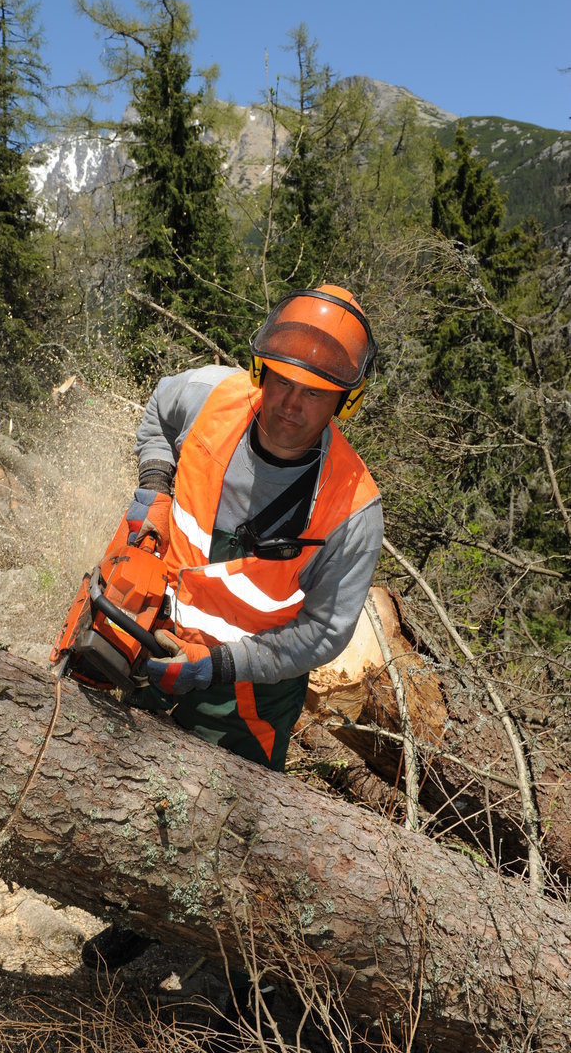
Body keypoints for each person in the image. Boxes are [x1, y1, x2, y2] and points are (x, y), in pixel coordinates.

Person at [81, 285, 383, 973]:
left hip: (248, 690)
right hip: (159, 636)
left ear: (345, 400)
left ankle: (239, 990)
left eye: (312, 393)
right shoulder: (214, 398)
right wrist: (156, 484)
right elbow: (160, 406)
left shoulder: (352, 507)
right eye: (281, 381)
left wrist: (220, 668)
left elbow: (326, 635)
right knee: (137, 791)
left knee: (226, 837)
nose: (289, 404)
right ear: (261, 370)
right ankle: (137, 918)